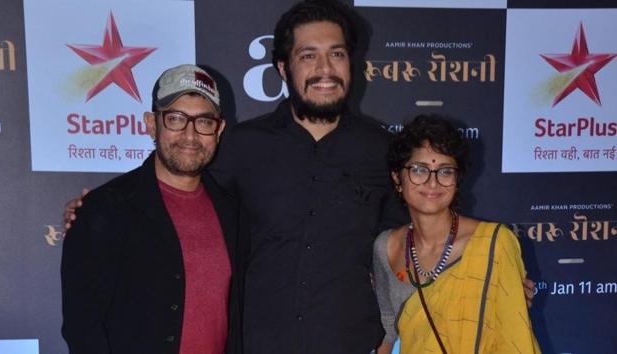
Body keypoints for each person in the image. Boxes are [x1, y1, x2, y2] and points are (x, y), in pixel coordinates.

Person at [62, 2, 535, 353]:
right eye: (308, 56)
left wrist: (487, 269)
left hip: (350, 344)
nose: (324, 69)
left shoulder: (382, 151)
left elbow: (422, 230)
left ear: (353, 64)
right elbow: (177, 192)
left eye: (336, 55)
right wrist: (98, 210)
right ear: (285, 68)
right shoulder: (239, 146)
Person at [60, 64, 241, 354]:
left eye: (204, 121)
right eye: (176, 118)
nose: (190, 135)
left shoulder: (233, 211)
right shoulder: (105, 209)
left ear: (218, 129)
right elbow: (82, 325)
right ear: (150, 123)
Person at [373, 114, 541, 354]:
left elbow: (515, 339)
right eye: (419, 170)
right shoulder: (387, 247)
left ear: (457, 179)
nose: (433, 183)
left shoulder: (493, 244)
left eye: (445, 171)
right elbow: (387, 332)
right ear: (397, 178)